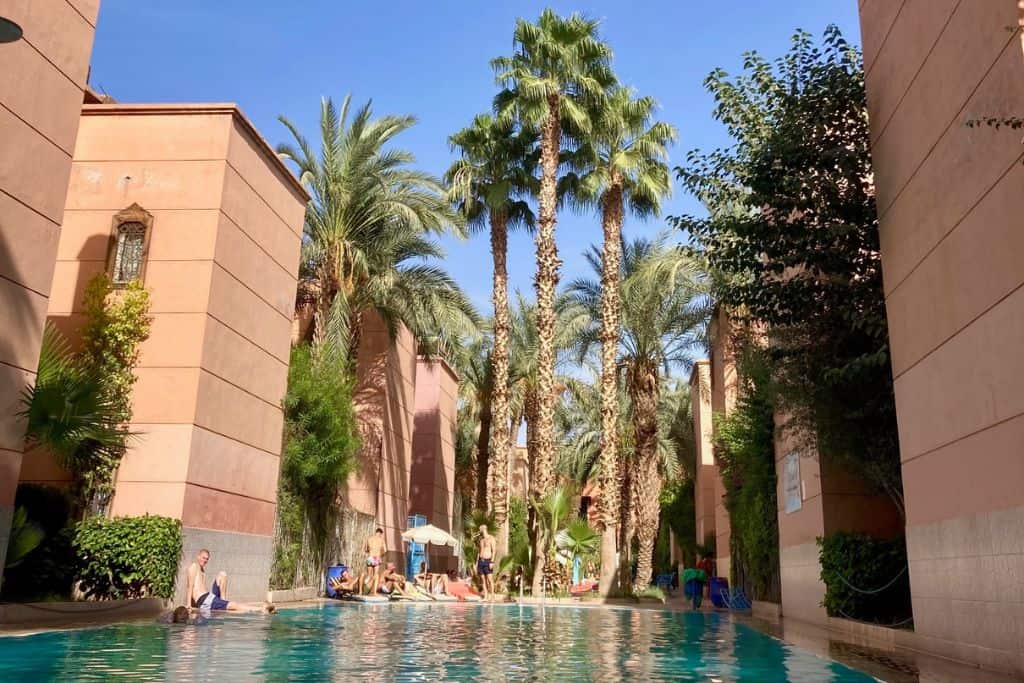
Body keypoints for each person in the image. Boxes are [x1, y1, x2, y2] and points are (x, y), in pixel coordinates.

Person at [187, 549, 274, 613]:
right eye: (203, 558)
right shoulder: (194, 566)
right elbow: (190, 586)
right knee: (234, 605)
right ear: (198, 556)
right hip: (204, 600)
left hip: (208, 597)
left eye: (207, 559)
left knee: (222, 574)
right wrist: (189, 605)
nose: (205, 560)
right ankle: (260, 609)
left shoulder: (202, 570)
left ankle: (223, 601)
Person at [360, 528, 387, 595]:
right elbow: (385, 550)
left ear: (376, 532)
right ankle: (374, 592)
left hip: (370, 557)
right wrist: (380, 555)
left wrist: (370, 551)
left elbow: (365, 549)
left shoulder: (369, 539)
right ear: (380, 533)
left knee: (369, 575)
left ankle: (364, 588)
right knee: (376, 575)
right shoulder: (382, 540)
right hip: (377, 558)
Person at [476, 524, 496, 600]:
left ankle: (492, 596)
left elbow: (494, 550)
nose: (480, 530)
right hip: (481, 561)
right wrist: (477, 562)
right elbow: (479, 552)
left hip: (488, 560)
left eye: (480, 529)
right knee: (483, 579)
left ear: (484, 529)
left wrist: (492, 561)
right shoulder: (481, 540)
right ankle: (486, 596)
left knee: (490, 579)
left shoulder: (491, 538)